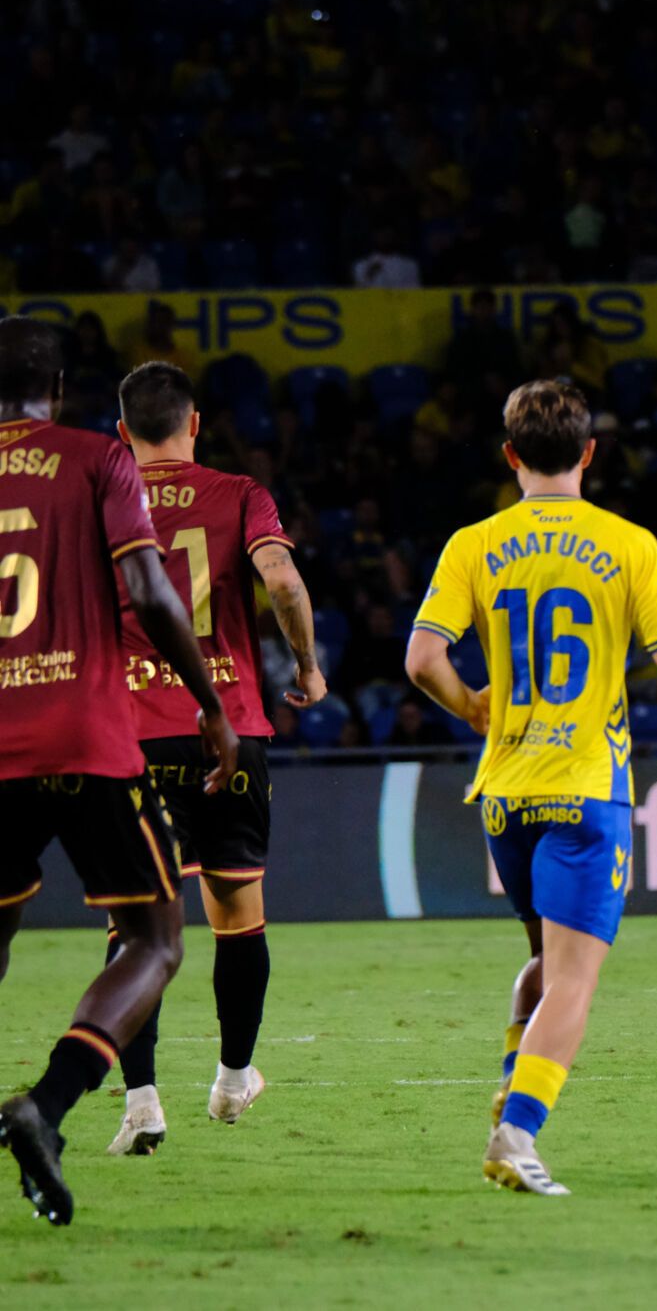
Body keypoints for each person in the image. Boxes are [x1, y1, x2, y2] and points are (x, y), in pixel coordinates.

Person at [406, 380, 657, 1196]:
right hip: (585, 790)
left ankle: (514, 1081)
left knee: (545, 961)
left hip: (505, 792)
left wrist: (474, 706)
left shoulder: (474, 543)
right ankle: (517, 1134)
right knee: (574, 977)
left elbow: (422, 659)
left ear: (510, 455)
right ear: (590, 453)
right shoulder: (629, 543)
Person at [0, 316, 240, 1226]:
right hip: (84, 736)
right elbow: (147, 588)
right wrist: (209, 703)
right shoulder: (97, 458)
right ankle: (47, 1104)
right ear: (58, 391)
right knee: (154, 938)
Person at [101, 363, 324, 1155]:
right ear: (194, 425)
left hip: (130, 732)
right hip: (227, 728)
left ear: (122, 432)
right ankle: (232, 1079)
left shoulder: (102, 497)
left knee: (135, 925)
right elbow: (283, 583)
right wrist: (306, 665)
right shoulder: (239, 493)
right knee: (238, 914)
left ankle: (141, 1102)